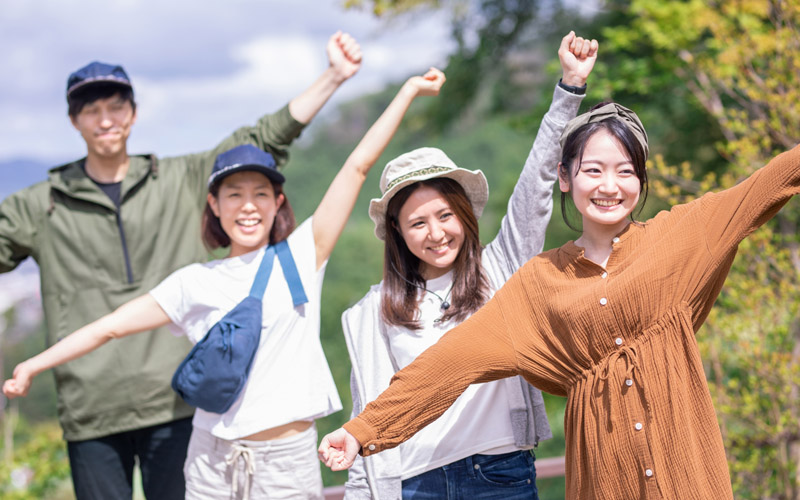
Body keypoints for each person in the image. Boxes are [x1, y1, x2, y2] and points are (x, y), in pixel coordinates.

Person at [319, 100, 800, 499]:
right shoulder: (538, 284)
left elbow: (769, 184)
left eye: (625, 171)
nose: (609, 186)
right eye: (593, 170)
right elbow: (449, 362)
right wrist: (364, 430)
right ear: (566, 177)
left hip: (687, 477)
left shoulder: (681, 236)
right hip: (602, 483)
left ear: (640, 181)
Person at [4, 66, 446, 499]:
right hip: (210, 461)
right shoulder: (194, 282)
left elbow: (356, 167)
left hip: (284, 465)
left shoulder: (299, 256)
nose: (247, 206)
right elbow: (110, 326)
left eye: (259, 194)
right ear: (213, 204)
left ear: (278, 202)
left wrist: (406, 93)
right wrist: (33, 365)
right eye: (234, 194)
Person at [340, 31, 598, 500]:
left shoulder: (501, 268)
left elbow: (536, 185)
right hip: (416, 484)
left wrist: (569, 90)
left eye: (445, 215)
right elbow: (368, 416)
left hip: (499, 474)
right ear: (397, 231)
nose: (436, 233)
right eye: (417, 222)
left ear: (464, 214)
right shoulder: (373, 310)